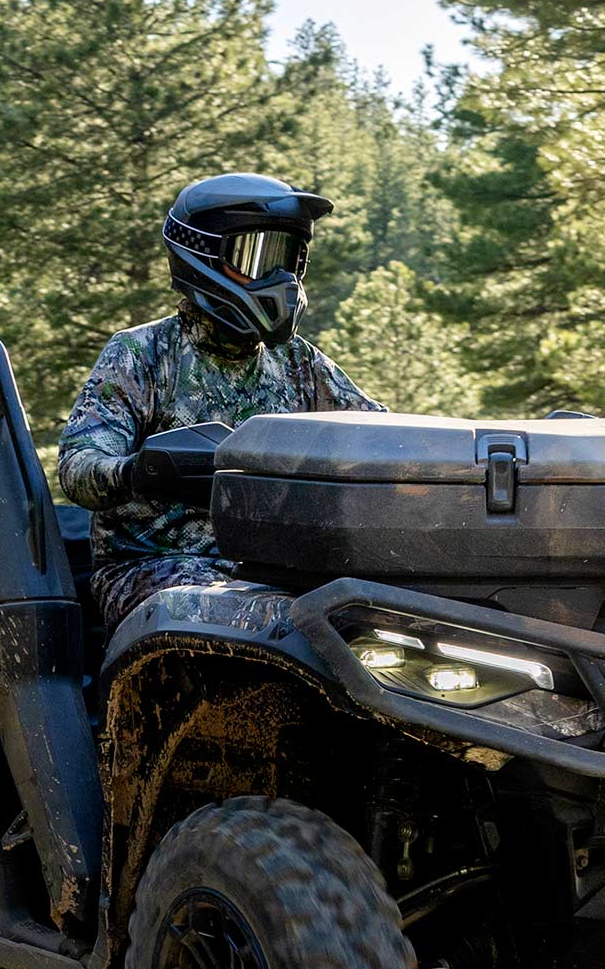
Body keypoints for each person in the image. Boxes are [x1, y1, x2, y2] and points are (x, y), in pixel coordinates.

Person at [55, 172, 379, 631]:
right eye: (258, 257)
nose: (280, 278)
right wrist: (142, 470)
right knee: (254, 620)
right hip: (153, 570)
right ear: (201, 254)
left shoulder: (298, 361)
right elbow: (78, 469)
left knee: (380, 617)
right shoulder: (143, 353)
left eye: (288, 258)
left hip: (273, 569)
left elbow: (377, 433)